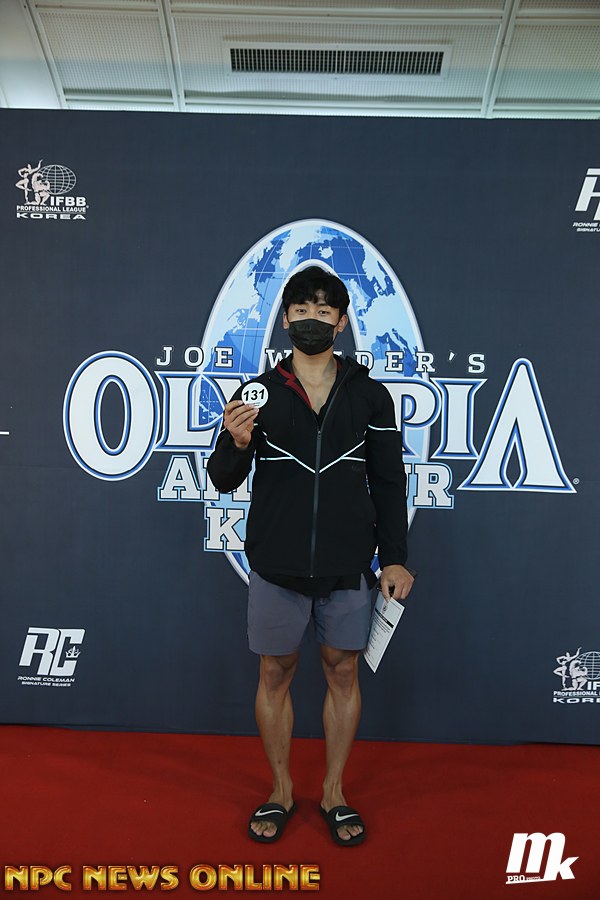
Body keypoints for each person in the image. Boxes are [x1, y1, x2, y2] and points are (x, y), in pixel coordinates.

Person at [207, 266, 414, 847]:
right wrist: (237, 442)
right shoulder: (256, 395)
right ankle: (279, 791)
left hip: (348, 567)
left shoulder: (370, 395)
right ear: (285, 318)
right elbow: (222, 478)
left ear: (342, 322)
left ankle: (333, 793)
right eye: (302, 309)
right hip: (276, 565)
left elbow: (389, 481)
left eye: (325, 310)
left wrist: (394, 557)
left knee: (343, 672)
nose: (312, 319)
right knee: (274, 673)